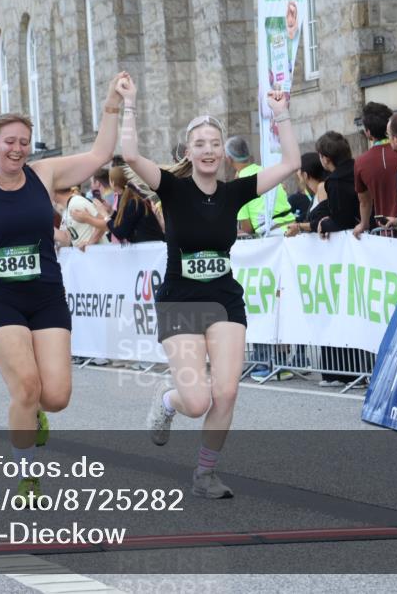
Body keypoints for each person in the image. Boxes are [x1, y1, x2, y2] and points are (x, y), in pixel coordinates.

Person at [0, 60, 125, 503]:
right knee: (26, 387)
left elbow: (98, 156)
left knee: (55, 397)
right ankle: (27, 473)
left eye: (24, 143)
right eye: (9, 142)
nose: (17, 149)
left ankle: (35, 415)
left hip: (47, 295)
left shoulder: (45, 175)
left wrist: (113, 104)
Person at [122, 76, 301, 499]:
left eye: (213, 143)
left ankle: (205, 473)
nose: (207, 150)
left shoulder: (235, 191)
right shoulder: (172, 188)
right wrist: (129, 103)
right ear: (189, 152)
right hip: (180, 302)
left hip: (224, 300)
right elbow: (129, 154)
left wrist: (281, 115)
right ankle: (169, 401)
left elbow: (292, 162)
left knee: (227, 391)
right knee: (197, 400)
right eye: (199, 143)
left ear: (223, 152)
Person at [70, 165, 164, 243]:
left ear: (113, 182)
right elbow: (121, 222)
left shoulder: (132, 201)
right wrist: (110, 212)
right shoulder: (125, 198)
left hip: (151, 247)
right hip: (147, 246)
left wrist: (104, 214)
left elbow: (120, 232)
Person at [223, 136, 293, 236]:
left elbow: (247, 229)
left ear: (229, 159)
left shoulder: (237, 186)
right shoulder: (267, 170)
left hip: (272, 236)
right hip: (293, 229)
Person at [353, 102, 397, 238]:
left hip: (386, 232)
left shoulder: (361, 162)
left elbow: (364, 201)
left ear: (368, 132)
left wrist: (363, 224)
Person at [312, 132, 361, 237]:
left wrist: (323, 224)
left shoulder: (335, 181)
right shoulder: (358, 166)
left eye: (320, 156)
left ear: (326, 159)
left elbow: (341, 222)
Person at [284, 152, 329, 236]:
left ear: (305, 175)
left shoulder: (322, 188)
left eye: (299, 170)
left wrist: (299, 226)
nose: (297, 174)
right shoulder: (316, 194)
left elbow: (322, 221)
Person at [52, 187, 106, 251]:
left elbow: (104, 221)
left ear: (55, 192)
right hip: (87, 256)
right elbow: (67, 239)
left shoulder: (76, 202)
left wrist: (90, 243)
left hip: (98, 254)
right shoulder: (66, 209)